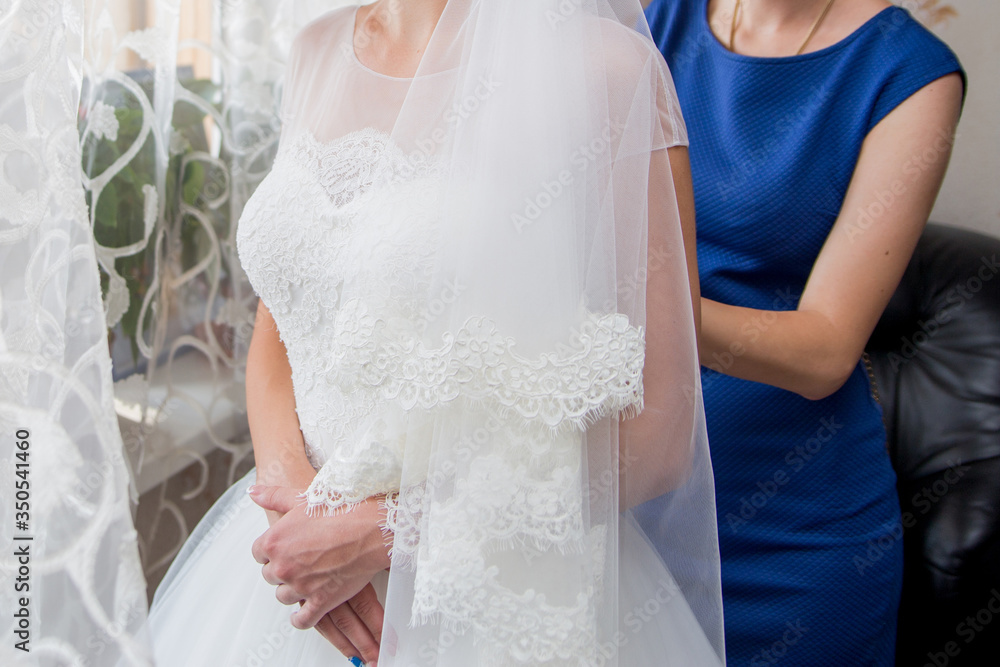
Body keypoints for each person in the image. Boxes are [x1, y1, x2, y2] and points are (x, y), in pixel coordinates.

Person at [142, 1, 726, 665]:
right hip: (297, 575)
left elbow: (662, 431)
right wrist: (298, 519)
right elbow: (279, 336)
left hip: (494, 594)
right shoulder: (315, 49)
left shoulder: (607, 69)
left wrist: (389, 529)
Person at [642, 0, 965, 664]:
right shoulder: (650, 19)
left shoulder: (910, 73)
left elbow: (824, 353)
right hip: (632, 507)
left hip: (793, 539)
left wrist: (641, 306)